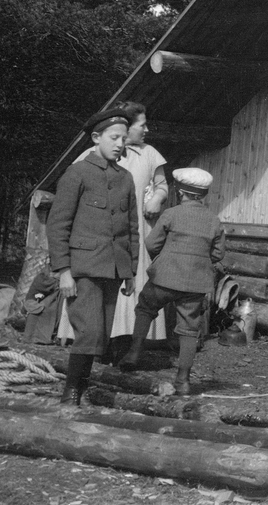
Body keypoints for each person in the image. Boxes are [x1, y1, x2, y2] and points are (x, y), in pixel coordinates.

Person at [58, 101, 170, 350]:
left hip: (130, 238)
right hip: (92, 248)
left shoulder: (148, 154)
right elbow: (65, 214)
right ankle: (86, 356)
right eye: (142, 124)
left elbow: (161, 185)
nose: (146, 129)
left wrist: (158, 197)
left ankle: (126, 345)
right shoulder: (84, 163)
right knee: (90, 312)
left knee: (127, 292)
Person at [46, 109, 139, 406]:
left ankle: (82, 391)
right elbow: (58, 224)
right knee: (89, 331)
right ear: (96, 138)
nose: (119, 144)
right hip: (83, 268)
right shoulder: (77, 174)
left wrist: (130, 271)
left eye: (123, 139)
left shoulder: (125, 179)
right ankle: (71, 393)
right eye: (114, 138)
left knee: (100, 336)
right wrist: (63, 270)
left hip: (113, 269)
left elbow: (131, 228)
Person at [118, 167, 226, 396]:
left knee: (146, 307)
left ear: (180, 192)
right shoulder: (214, 221)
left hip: (164, 278)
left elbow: (151, 243)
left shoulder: (171, 214)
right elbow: (217, 255)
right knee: (188, 329)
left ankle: (134, 353)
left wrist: (164, 257)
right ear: (203, 195)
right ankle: (184, 380)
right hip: (195, 283)